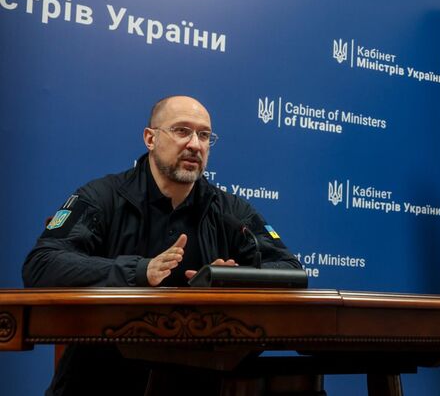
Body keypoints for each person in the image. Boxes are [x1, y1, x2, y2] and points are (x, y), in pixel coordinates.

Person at [22, 95, 302, 395]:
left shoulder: (231, 211)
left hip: (200, 381)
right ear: (150, 138)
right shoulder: (102, 197)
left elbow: (290, 270)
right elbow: (41, 264)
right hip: (100, 380)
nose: (195, 144)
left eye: (204, 135)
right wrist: (138, 272)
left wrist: (230, 280)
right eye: (182, 131)